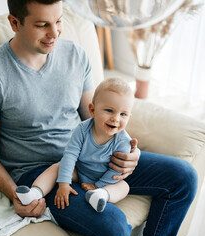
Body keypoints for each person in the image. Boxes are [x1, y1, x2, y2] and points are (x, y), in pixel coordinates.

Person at [0, 0, 198, 236]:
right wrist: (16, 194)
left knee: (184, 177)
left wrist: (131, 154)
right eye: (42, 25)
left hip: (89, 154)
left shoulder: (75, 55)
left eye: (58, 21)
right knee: (114, 226)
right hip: (40, 171)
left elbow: (95, 118)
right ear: (15, 23)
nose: (54, 33)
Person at [16, 78, 134, 213]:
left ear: (129, 117)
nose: (116, 119)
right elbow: (70, 155)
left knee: (124, 186)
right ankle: (34, 193)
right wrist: (64, 184)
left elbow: (116, 171)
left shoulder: (124, 142)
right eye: (109, 110)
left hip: (104, 180)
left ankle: (100, 195)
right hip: (79, 171)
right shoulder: (83, 129)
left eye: (123, 114)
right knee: (57, 167)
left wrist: (97, 186)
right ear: (92, 110)